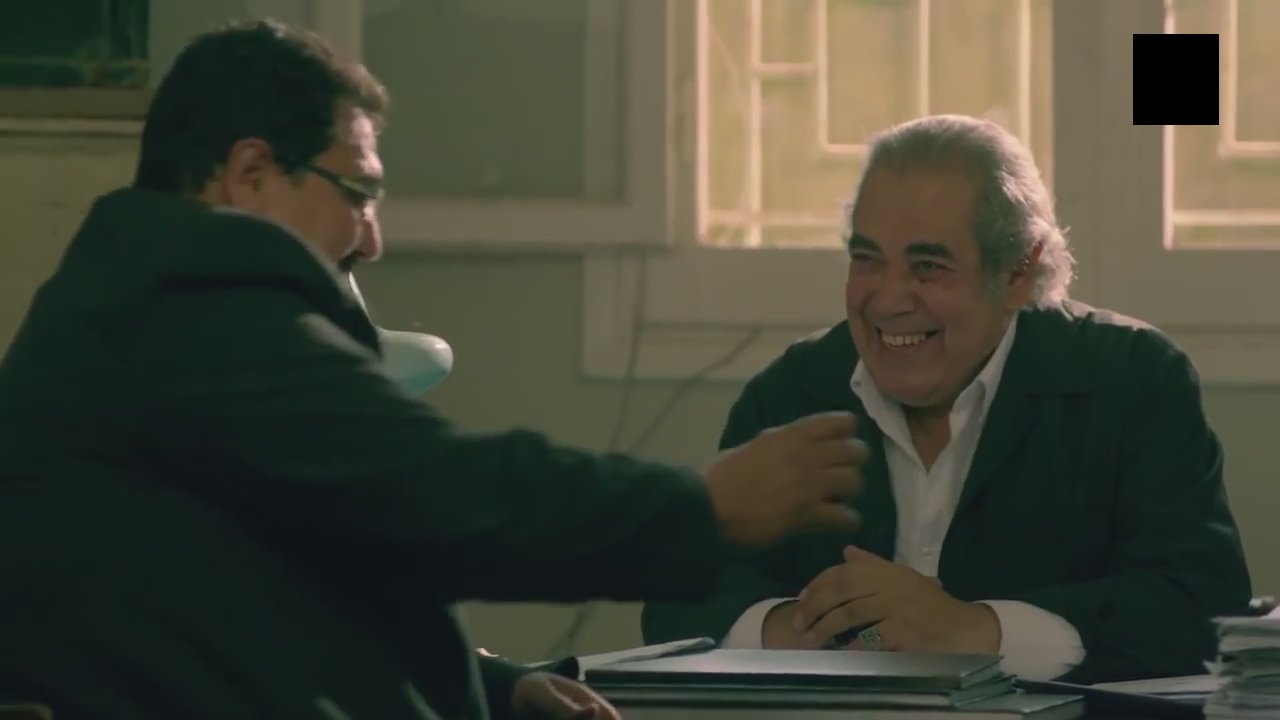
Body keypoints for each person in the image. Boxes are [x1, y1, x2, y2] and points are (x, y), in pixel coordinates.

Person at [0, 19, 870, 720]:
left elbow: (310, 575)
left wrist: (493, 686)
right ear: (251, 174)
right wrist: (701, 510)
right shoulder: (193, 303)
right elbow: (441, 493)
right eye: (358, 193)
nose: (373, 238)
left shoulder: (140, 297)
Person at [641, 114, 1253, 684]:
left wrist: (976, 631)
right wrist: (790, 631)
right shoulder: (793, 392)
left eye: (928, 267)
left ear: (1017, 272)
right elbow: (681, 597)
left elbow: (1198, 607)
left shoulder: (1131, 380)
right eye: (867, 260)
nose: (888, 301)